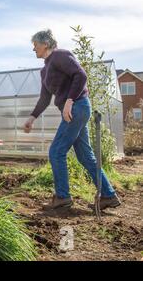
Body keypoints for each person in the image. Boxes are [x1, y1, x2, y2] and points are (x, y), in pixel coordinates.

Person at [23, 29, 121, 210]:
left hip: (77, 107)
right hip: (73, 110)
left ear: (45, 44)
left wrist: (69, 101)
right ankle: (108, 195)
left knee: (56, 151)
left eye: (35, 45)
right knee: (85, 156)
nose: (33, 49)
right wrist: (32, 117)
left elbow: (80, 75)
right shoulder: (44, 70)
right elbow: (45, 98)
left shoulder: (60, 55)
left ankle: (63, 197)